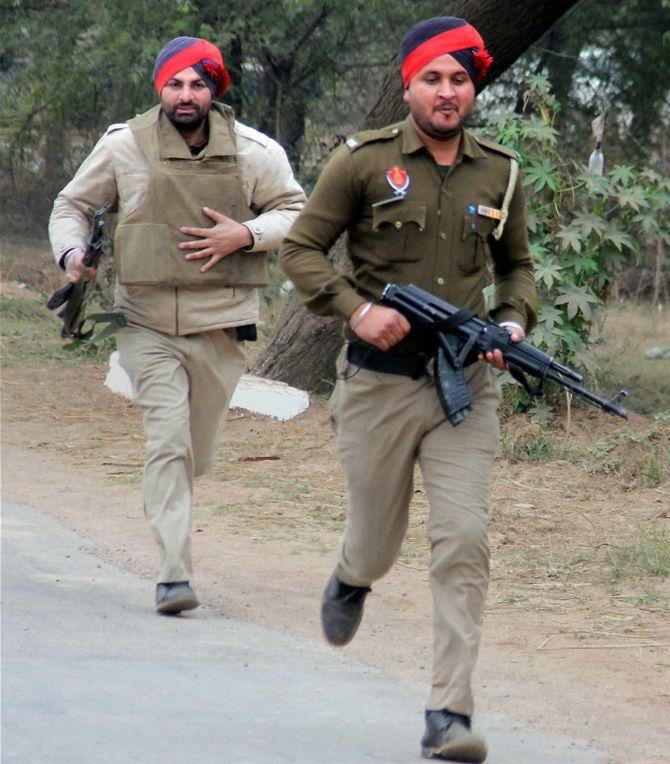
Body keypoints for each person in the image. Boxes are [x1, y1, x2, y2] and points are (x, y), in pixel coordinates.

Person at [279, 16, 536, 763]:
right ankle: (353, 575)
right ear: (409, 83)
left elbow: (515, 265)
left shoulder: (501, 170)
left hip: (465, 387)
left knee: (463, 541)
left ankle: (448, 714)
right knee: (376, 541)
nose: (448, 92)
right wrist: (357, 311)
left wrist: (513, 322)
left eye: (460, 79)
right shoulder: (363, 162)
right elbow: (300, 248)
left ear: (473, 87)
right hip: (377, 388)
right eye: (434, 78)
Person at [49, 36, 305, 616]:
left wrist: (246, 234)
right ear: (159, 88)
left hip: (222, 323)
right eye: (175, 84)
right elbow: (72, 206)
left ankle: (176, 524)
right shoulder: (124, 146)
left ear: (214, 89)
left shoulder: (253, 151)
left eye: (197, 84)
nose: (185, 95)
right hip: (144, 321)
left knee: (195, 452)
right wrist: (71, 257)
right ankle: (173, 573)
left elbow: (295, 210)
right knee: (167, 441)